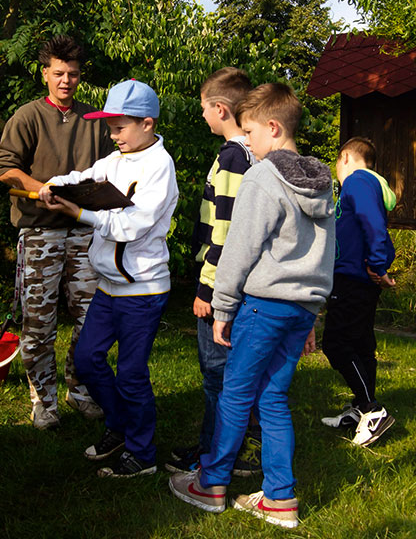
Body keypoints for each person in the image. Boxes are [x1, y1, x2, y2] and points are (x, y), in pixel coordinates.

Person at [169, 83, 335, 529]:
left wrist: (222, 307)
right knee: (274, 398)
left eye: (250, 132)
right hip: (301, 307)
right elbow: (323, 255)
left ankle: (212, 483)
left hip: (262, 305)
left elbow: (239, 247)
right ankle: (280, 498)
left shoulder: (263, 175)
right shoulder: (322, 180)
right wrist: (314, 311)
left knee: (235, 394)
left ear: (273, 127)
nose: (246, 142)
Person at [38, 79, 178, 477]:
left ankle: (143, 455)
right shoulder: (115, 161)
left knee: (132, 373)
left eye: (119, 127)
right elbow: (83, 177)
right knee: (86, 359)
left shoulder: (159, 167)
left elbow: (134, 225)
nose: (112, 135)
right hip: (108, 286)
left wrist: (79, 214)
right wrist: (54, 186)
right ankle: (120, 426)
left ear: (147, 124)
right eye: (110, 127)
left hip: (144, 289)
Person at [0, 35, 112, 430]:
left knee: (91, 318)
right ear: (44, 74)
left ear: (80, 77)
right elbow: (3, 166)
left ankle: (80, 390)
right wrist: (36, 187)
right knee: (38, 322)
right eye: (58, 73)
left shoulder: (94, 121)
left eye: (73, 74)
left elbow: (114, 167)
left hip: (83, 232)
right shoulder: (27, 116)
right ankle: (43, 401)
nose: (66, 81)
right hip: (40, 232)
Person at [166, 67, 262, 476]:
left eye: (204, 108)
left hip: (223, 285)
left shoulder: (229, 159)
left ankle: (215, 455)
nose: (202, 116)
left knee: (217, 375)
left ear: (220, 108)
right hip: (246, 284)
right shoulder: (254, 153)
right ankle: (234, 448)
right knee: (237, 372)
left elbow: (225, 231)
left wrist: (207, 290)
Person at [321, 137, 396, 446]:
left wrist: (378, 265)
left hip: (352, 280)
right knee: (362, 345)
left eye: (337, 165)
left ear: (346, 158)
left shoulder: (357, 181)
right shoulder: (367, 185)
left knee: (336, 344)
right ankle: (359, 408)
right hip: (357, 280)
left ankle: (372, 410)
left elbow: (374, 225)